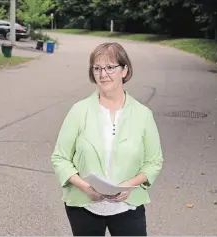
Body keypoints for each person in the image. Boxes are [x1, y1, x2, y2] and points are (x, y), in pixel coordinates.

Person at [51, 42, 163, 236]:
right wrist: (86, 188)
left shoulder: (143, 115)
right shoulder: (79, 111)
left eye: (110, 67)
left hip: (128, 207)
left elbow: (154, 162)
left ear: (124, 70)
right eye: (97, 68)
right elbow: (60, 158)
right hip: (84, 206)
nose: (103, 74)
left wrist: (131, 184)